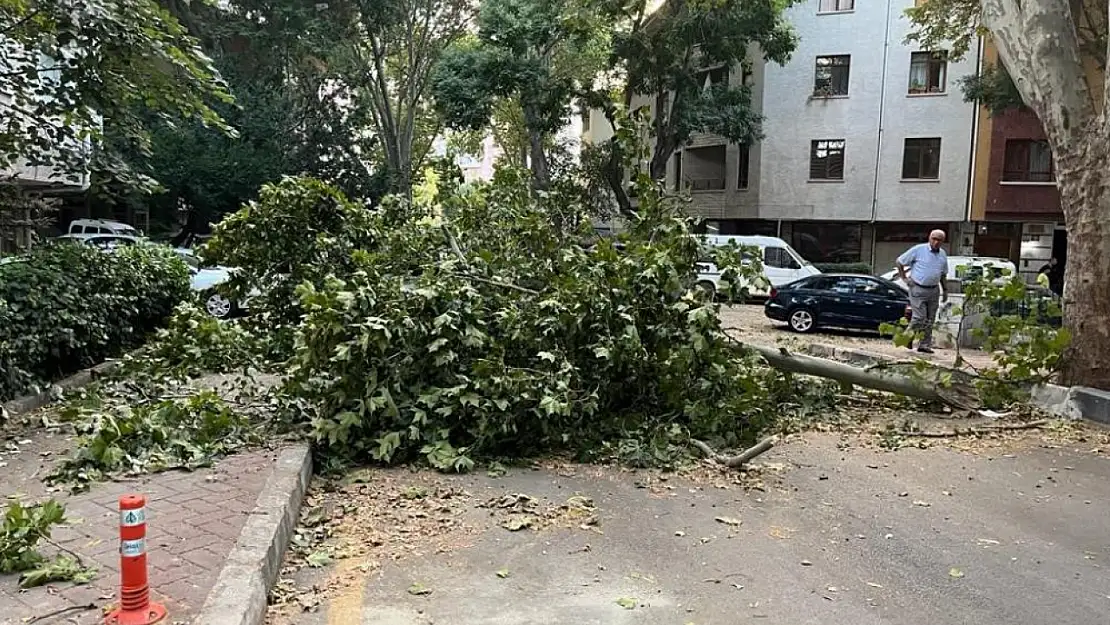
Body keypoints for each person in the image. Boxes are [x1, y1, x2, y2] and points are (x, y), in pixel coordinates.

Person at [896, 229, 948, 354]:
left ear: (943, 241)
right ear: (929, 238)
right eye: (933, 239)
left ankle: (924, 344)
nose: (935, 242)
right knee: (919, 317)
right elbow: (899, 261)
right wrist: (904, 278)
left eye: (939, 240)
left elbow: (943, 274)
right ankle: (906, 338)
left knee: (930, 319)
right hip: (918, 288)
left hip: (934, 289)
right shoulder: (918, 250)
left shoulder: (942, 254)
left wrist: (945, 290)